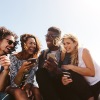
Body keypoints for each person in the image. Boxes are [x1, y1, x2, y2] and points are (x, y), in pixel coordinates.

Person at [36, 26, 93, 100]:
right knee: (40, 72)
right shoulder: (43, 54)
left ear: (59, 39)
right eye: (47, 35)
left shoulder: (66, 52)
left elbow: (71, 72)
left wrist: (56, 69)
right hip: (50, 85)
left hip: (64, 83)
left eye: (51, 36)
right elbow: (42, 76)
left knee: (70, 74)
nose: (48, 37)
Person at [61, 33, 100, 100]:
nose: (66, 46)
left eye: (68, 43)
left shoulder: (83, 51)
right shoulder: (69, 58)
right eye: (64, 44)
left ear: (75, 43)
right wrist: (64, 80)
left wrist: (72, 67)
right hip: (89, 87)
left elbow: (92, 73)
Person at [7, 34, 42, 100]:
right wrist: (22, 70)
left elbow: (31, 78)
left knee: (36, 90)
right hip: (12, 85)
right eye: (30, 43)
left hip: (27, 84)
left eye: (34, 44)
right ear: (24, 44)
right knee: (18, 91)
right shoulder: (13, 57)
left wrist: (27, 87)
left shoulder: (34, 59)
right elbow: (14, 84)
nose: (33, 46)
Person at [0, 26, 18, 100]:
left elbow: (0, 89)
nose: (12, 45)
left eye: (14, 43)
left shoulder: (7, 61)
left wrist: (6, 70)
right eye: (9, 42)